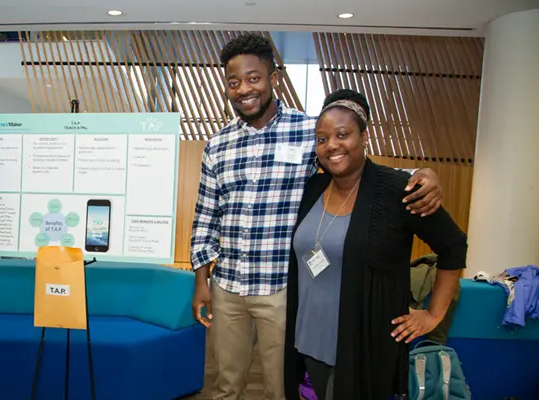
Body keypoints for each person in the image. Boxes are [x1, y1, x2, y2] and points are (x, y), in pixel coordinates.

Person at [189, 33, 444, 400]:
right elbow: (206, 216)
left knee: (281, 388)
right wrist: (202, 281)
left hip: (283, 289)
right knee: (226, 386)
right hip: (228, 287)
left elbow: (361, 166)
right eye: (234, 81)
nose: (244, 88)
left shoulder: (310, 133)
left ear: (273, 78)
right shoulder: (217, 145)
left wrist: (423, 173)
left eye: (254, 78)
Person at [282, 89, 467, 400]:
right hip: (309, 340)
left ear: (364, 136)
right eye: (322, 139)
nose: (332, 146)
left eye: (343, 134)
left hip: (363, 346)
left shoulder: (398, 190)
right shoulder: (313, 187)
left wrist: (433, 315)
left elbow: (453, 245)